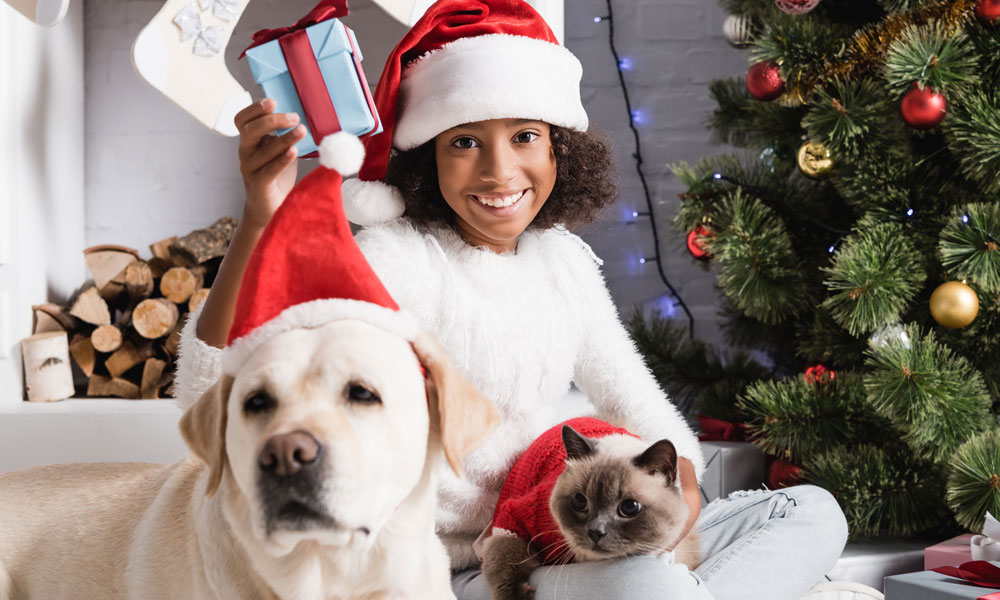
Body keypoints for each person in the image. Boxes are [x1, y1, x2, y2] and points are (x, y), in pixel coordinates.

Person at [175, 1, 858, 599]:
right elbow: (217, 384)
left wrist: (676, 482)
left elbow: (630, 393)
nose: (499, 171)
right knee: (647, 584)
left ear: (560, 150)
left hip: (591, 521)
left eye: (524, 137)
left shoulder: (562, 259)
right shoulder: (398, 258)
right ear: (426, 159)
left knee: (814, 511)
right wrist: (260, 218)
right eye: (465, 142)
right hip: (482, 563)